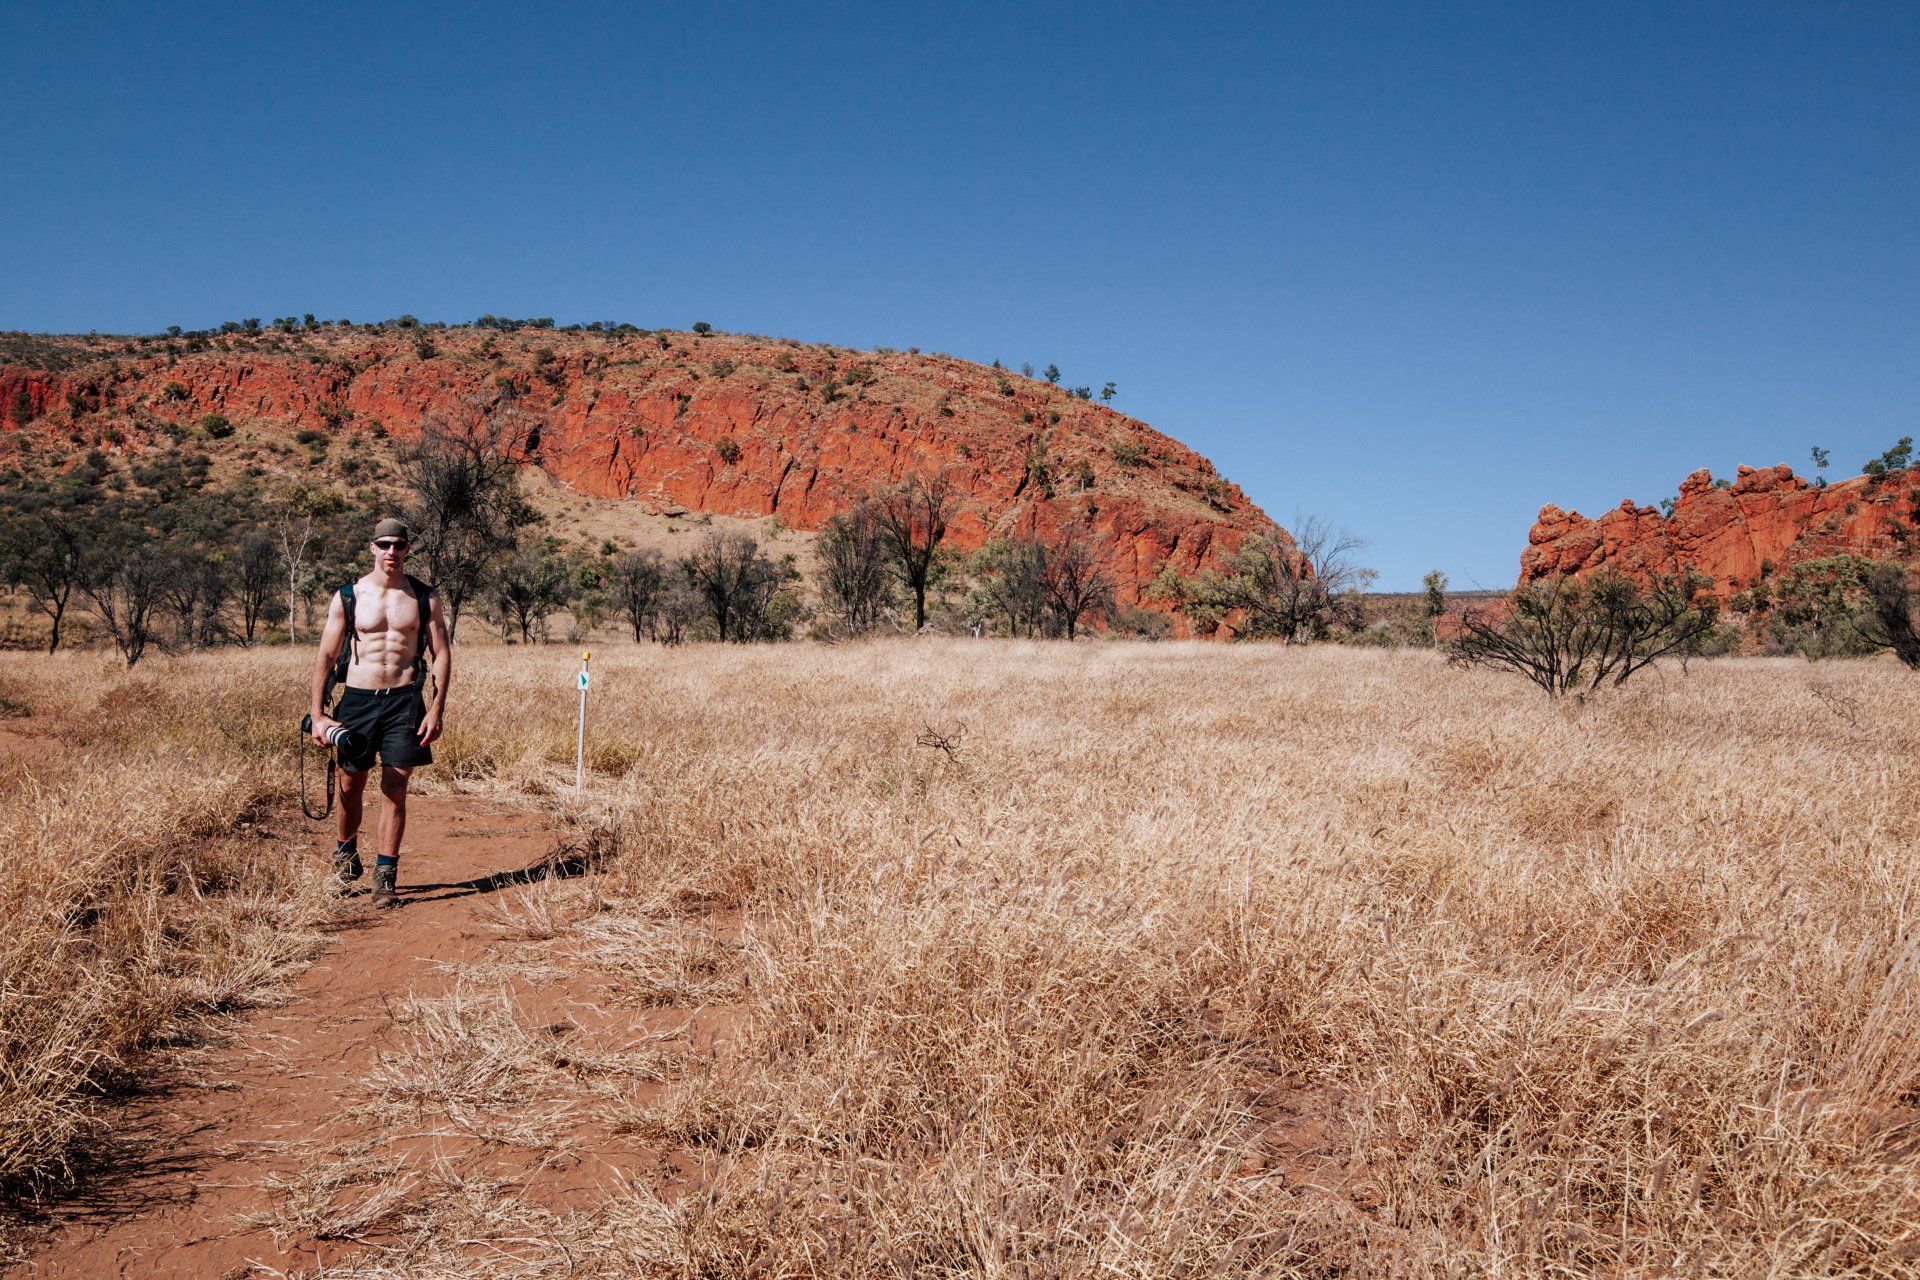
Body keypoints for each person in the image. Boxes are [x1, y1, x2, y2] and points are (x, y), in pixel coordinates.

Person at [308, 518, 452, 908]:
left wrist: (436, 708)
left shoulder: (425, 597)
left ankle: (385, 876)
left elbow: (441, 653)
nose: (392, 551)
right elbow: (326, 654)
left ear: (407, 549)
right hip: (357, 700)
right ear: (372, 547)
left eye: (399, 545)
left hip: (404, 701)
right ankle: (345, 855)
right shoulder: (349, 596)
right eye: (385, 544)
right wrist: (317, 714)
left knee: (395, 788)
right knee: (350, 786)